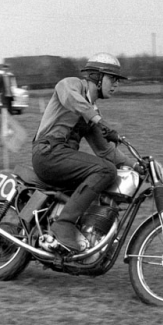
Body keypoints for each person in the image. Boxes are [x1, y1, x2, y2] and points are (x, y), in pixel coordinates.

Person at [32, 52, 136, 252]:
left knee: (105, 174)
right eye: (112, 79)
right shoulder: (70, 85)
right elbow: (72, 99)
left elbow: (106, 151)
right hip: (48, 152)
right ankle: (64, 224)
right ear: (96, 77)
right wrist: (98, 120)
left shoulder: (92, 110)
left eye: (117, 81)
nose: (116, 85)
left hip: (62, 158)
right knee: (105, 171)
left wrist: (138, 165)